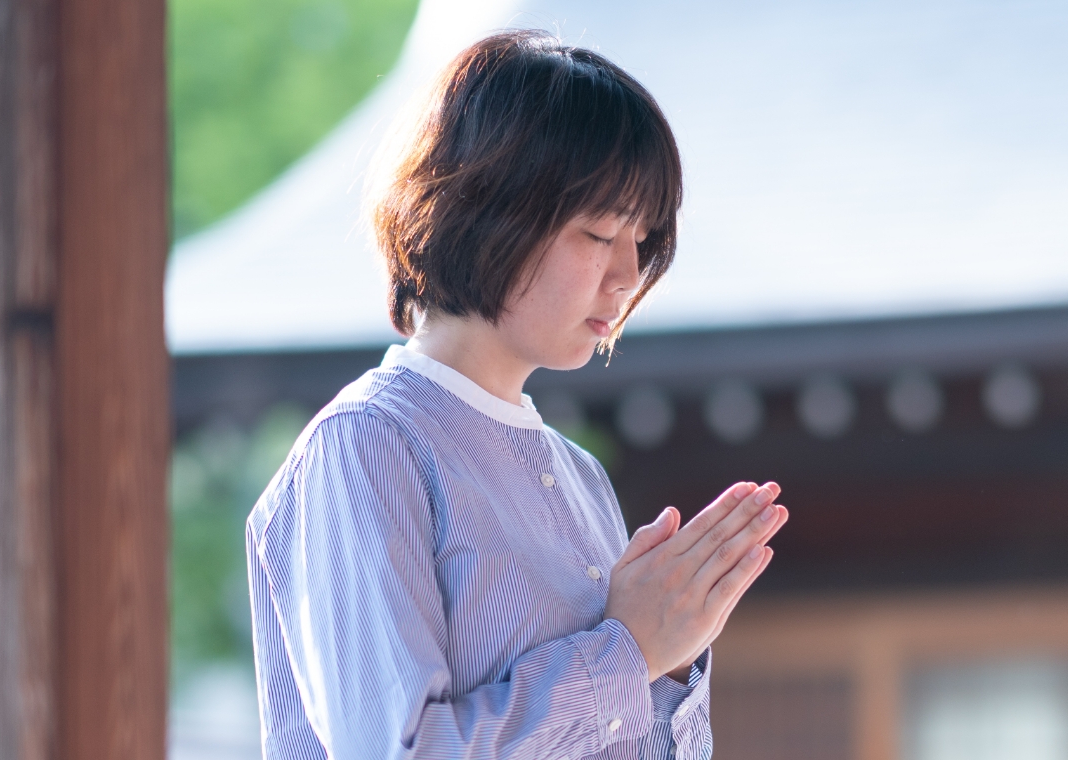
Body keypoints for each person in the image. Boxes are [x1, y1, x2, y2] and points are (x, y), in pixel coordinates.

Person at [245, 29, 789, 760]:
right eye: (599, 232)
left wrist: (673, 651)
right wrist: (628, 652)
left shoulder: (580, 475)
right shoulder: (367, 446)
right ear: (486, 207)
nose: (628, 274)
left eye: (644, 238)